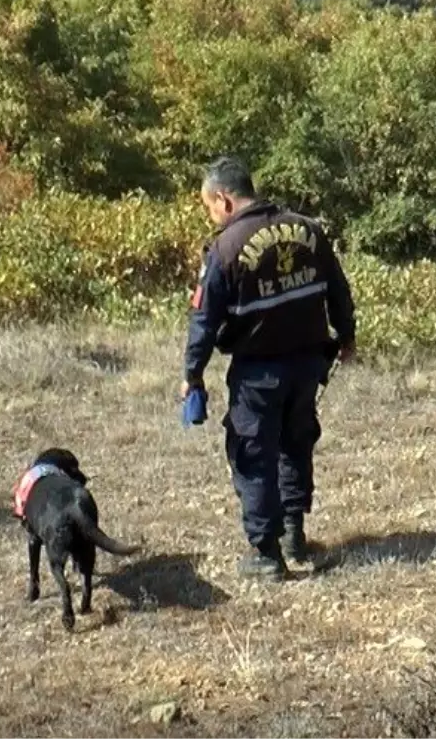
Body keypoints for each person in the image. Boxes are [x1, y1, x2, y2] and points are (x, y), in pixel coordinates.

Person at [180, 155, 356, 579]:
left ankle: (267, 554)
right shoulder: (308, 229)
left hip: (258, 372)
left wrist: (192, 375)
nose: (212, 216)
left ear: (223, 199)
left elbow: (204, 321)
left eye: (209, 207)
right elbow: (338, 287)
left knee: (252, 453)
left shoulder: (225, 247)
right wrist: (346, 336)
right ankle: (295, 535)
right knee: (295, 444)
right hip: (310, 363)